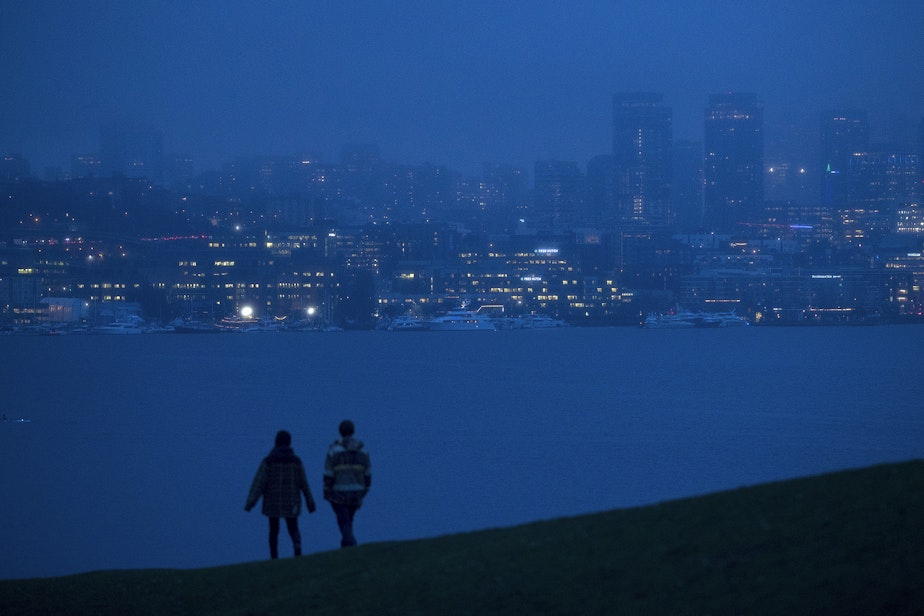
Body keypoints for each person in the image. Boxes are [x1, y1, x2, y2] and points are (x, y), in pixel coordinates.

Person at [245, 429, 316, 559]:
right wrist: (310, 502)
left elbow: (258, 483)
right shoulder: (296, 462)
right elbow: (304, 483)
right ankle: (297, 550)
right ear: (289, 443)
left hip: (273, 502)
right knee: (293, 527)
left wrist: (250, 503)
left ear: (276, 442)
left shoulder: (269, 461)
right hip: (292, 501)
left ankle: (274, 556)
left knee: (273, 530)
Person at [323, 420, 371, 547]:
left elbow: (328, 474)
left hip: (338, 493)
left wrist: (327, 491)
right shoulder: (363, 451)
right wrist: (363, 491)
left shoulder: (333, 450)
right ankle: (346, 548)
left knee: (344, 521)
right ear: (353, 431)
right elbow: (368, 475)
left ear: (340, 431)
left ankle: (351, 545)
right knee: (348, 520)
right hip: (356, 493)